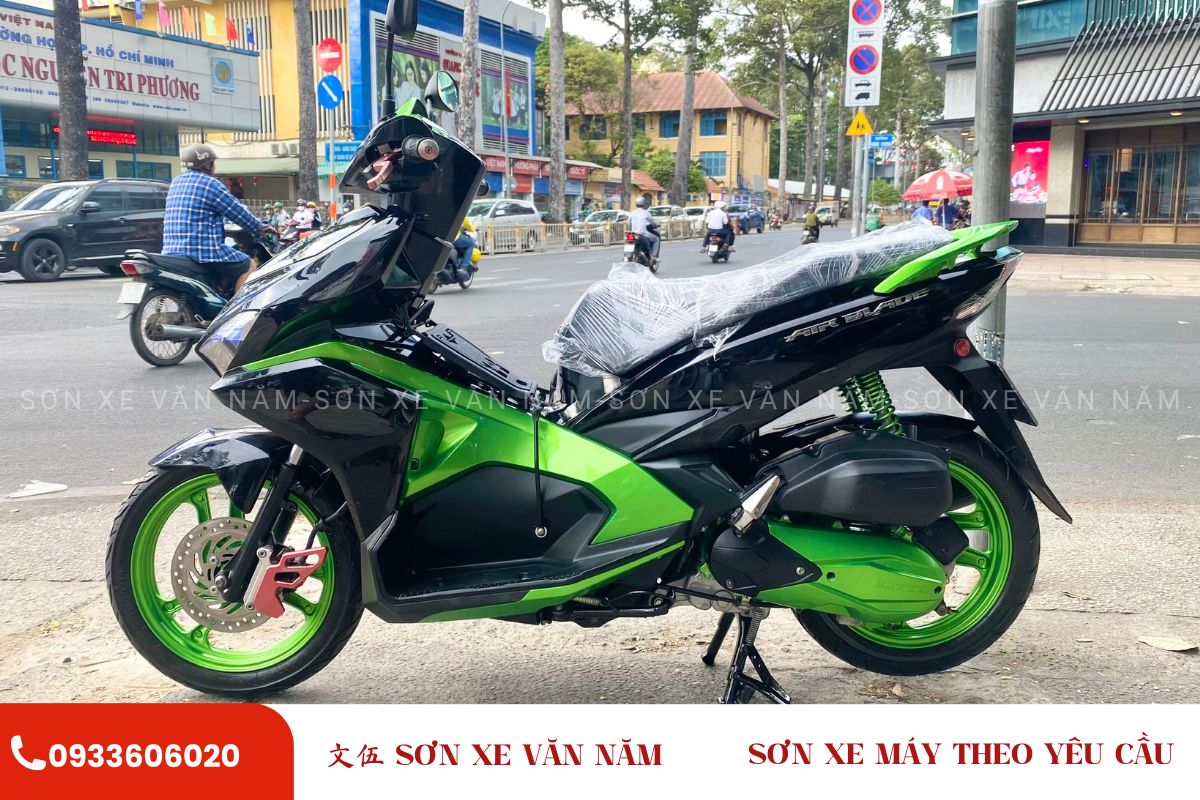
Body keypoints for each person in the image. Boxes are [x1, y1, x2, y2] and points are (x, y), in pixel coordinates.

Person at [162, 143, 271, 293]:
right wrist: (260, 227)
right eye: (213, 163)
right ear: (207, 165)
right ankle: (239, 307)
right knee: (248, 265)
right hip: (201, 252)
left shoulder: (176, 182)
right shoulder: (210, 184)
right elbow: (237, 212)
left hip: (171, 251)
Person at [629, 196, 661, 264]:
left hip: (632, 234)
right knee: (656, 239)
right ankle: (653, 256)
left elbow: (629, 224)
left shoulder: (631, 213)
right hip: (642, 234)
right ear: (644, 204)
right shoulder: (646, 213)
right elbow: (653, 222)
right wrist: (656, 225)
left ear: (636, 204)